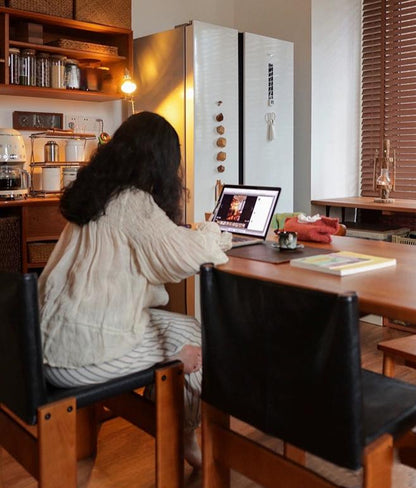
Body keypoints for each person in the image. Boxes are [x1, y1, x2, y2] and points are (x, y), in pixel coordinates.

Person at [38, 111, 232, 468]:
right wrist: (217, 230)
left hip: (47, 341)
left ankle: (180, 431)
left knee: (189, 328)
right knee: (194, 349)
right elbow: (187, 257)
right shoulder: (131, 201)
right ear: (159, 161)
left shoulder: (97, 195)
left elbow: (161, 244)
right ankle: (180, 435)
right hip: (77, 357)